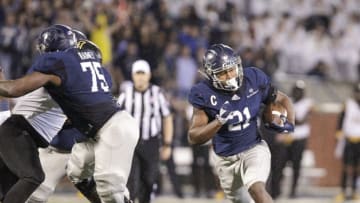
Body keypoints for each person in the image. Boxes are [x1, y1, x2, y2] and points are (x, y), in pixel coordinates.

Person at [0, 24, 139, 203]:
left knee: (109, 186)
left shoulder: (59, 64)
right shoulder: (98, 74)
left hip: (105, 129)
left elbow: (14, 90)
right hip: (92, 133)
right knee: (76, 172)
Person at [187, 44, 295, 203]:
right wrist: (218, 121)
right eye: (222, 73)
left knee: (256, 188)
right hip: (226, 158)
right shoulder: (203, 93)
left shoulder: (253, 78)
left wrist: (290, 123)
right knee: (241, 200)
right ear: (211, 75)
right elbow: (193, 137)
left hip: (254, 148)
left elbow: (283, 99)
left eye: (232, 69)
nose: (230, 76)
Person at [117, 59, 173, 203]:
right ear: (133, 75)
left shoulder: (157, 93)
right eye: (137, 73)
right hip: (130, 144)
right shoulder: (125, 94)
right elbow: (115, 119)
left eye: (143, 73)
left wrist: (167, 144)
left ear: (148, 75)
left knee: (148, 181)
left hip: (151, 142)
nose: (140, 77)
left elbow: (167, 118)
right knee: (131, 182)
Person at [267, 80, 313, 199]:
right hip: (286, 138)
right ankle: (277, 190)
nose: (297, 93)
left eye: (299, 91)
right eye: (296, 90)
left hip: (299, 138)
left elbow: (301, 120)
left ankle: (293, 190)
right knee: (279, 165)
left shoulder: (308, 103)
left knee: (296, 165)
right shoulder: (288, 101)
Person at [334, 82, 360, 202]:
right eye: (357, 92)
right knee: (346, 167)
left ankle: (355, 191)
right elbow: (341, 119)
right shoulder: (348, 104)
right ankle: (343, 191)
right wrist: (338, 132)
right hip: (349, 140)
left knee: (357, 168)